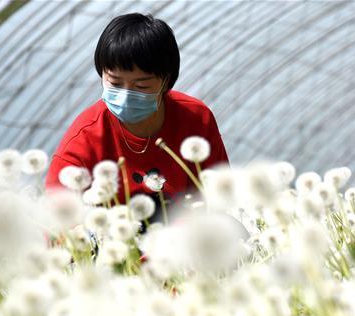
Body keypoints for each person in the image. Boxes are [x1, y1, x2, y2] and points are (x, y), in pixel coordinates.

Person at [45, 13, 229, 224]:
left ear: (166, 81)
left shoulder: (196, 119)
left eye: (141, 86)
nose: (125, 94)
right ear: (102, 74)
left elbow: (219, 197)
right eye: (115, 83)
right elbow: (58, 223)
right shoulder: (84, 138)